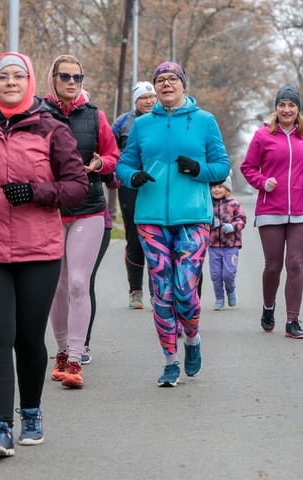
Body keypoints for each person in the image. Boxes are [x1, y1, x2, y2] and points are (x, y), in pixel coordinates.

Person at [0, 52, 88, 457]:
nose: (11, 82)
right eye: (3, 77)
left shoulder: (52, 130)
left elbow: (76, 186)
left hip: (37, 249)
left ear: (29, 82)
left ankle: (31, 411)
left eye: (18, 76)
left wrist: (36, 192)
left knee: (28, 338)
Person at [115, 61, 230, 387]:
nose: (166, 84)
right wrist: (133, 177)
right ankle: (169, 361)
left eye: (172, 79)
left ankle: (191, 339)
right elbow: (123, 165)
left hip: (193, 217)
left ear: (183, 85)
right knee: (162, 293)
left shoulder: (205, 122)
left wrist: (198, 169)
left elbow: (222, 167)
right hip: (150, 218)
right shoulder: (141, 126)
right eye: (160, 80)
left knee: (184, 290)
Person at [41, 54, 119, 389]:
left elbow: (114, 156)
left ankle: (75, 358)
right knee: (56, 286)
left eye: (78, 77)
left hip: (89, 209)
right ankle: (60, 351)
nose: (72, 82)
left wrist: (102, 163)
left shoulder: (95, 116)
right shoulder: (38, 114)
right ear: (53, 78)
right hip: (51, 210)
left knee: (77, 283)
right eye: (65, 76)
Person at [241, 84, 303, 340]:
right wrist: (263, 182)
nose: (287, 109)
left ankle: (293, 320)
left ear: (299, 110)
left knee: (295, 264)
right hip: (270, 209)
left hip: (301, 209)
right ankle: (268, 307)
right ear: (276, 108)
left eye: (292, 105)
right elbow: (248, 167)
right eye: (282, 105)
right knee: (273, 266)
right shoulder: (263, 135)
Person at [112, 81, 157, 310]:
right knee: (135, 237)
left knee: (156, 237)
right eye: (144, 97)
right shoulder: (123, 122)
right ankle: (135, 290)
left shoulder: (163, 119)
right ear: (135, 101)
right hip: (130, 185)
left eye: (152, 96)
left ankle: (157, 291)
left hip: (155, 184)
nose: (149, 101)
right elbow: (108, 149)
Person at [81, 174, 119, 364]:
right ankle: (64, 345)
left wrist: (103, 167)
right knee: (61, 287)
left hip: (96, 219)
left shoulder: (98, 144)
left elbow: (115, 181)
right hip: (57, 219)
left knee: (82, 282)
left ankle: (81, 344)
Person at [208, 176, 247, 310]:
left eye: (219, 187)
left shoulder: (234, 204)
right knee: (215, 275)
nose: (216, 190)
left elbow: (242, 219)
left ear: (227, 189)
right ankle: (219, 298)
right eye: (213, 187)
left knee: (228, 274)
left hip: (231, 245)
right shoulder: (208, 204)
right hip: (213, 245)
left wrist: (233, 226)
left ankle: (231, 290)